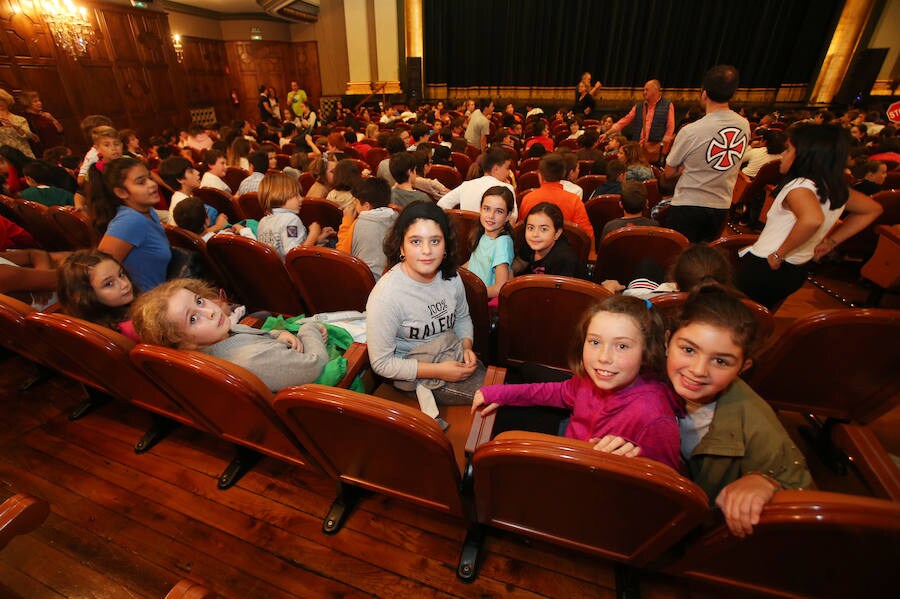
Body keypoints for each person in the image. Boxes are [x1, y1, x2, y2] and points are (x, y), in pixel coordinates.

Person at [471, 295, 681, 470]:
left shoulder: (655, 419)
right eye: (595, 342)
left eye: (622, 346)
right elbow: (560, 392)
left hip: (588, 482)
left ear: (646, 352)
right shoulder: (592, 378)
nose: (604, 357)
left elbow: (665, 492)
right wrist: (502, 393)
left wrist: (636, 464)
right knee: (493, 421)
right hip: (571, 448)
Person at [669, 285, 813, 537]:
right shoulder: (645, 373)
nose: (698, 370)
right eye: (689, 350)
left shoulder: (755, 420)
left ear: (743, 367)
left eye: (721, 361)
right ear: (668, 341)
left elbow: (802, 490)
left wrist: (766, 482)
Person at [736, 123, 883, 310]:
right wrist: (831, 242)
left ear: (804, 156)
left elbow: (812, 219)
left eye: (788, 149)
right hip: (797, 268)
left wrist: (779, 254)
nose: (782, 155)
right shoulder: (833, 188)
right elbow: (872, 209)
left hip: (766, 266)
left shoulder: (800, 187)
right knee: (759, 316)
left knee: (734, 316)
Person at [366, 202, 480, 428]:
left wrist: (466, 347)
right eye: (416, 242)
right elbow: (381, 363)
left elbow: (463, 317)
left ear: (446, 245)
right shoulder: (386, 296)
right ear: (401, 247)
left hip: (450, 354)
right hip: (415, 373)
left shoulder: (451, 276)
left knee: (503, 392)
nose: (427, 251)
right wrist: (439, 371)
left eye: (435, 241)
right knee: (496, 396)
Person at [130, 278, 328, 392]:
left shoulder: (219, 336)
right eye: (192, 319)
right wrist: (309, 329)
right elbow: (316, 364)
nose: (210, 311)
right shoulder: (254, 359)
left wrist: (277, 334)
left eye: (199, 301)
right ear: (181, 342)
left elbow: (245, 334)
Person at [664, 65, 750, 243]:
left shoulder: (691, 131)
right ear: (733, 94)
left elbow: (668, 173)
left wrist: (683, 169)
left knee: (680, 258)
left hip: (688, 205)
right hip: (721, 206)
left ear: (704, 93)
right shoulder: (744, 125)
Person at [94, 157, 171, 292]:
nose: (152, 184)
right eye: (141, 182)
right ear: (121, 192)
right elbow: (99, 271)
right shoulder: (129, 221)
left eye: (149, 178)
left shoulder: (149, 211)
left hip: (161, 293)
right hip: (146, 302)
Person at [600, 242, 732, 298]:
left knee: (648, 263)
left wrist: (608, 293)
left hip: (642, 297)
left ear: (675, 281)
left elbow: (622, 313)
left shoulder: (643, 303)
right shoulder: (741, 317)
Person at [57, 249, 137, 338]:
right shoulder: (129, 328)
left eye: (121, 274)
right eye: (109, 284)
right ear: (86, 296)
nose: (125, 284)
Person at [257, 172, 333, 258]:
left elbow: (284, 245)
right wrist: (313, 234)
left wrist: (317, 239)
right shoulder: (291, 220)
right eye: (296, 195)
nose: (301, 198)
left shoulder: (263, 221)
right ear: (281, 195)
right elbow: (294, 254)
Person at [519, 153, 594, 241]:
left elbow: (521, 231)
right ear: (563, 174)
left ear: (540, 175)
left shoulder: (528, 199)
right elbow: (587, 235)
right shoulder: (574, 201)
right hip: (567, 250)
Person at [336, 177, 397, 280]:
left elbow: (341, 256)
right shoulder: (396, 218)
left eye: (356, 202)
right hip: (389, 279)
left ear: (366, 206)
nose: (354, 205)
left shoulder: (359, 223)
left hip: (364, 282)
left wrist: (346, 221)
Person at [600, 79, 674, 164]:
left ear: (656, 90)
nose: (644, 92)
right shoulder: (639, 106)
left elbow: (670, 127)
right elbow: (624, 121)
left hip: (655, 151)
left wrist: (662, 146)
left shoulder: (667, 105)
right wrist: (607, 133)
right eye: (644, 90)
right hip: (638, 149)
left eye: (647, 89)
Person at [437, 147, 517, 220]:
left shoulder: (466, 185)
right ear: (496, 169)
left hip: (466, 234)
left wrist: (457, 224)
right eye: (507, 168)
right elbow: (513, 218)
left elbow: (441, 205)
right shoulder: (507, 188)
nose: (508, 173)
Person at [464, 186, 515, 299]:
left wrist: (469, 295)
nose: (491, 216)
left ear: (508, 216)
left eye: (499, 211)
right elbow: (475, 261)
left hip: (484, 301)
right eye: (487, 209)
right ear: (480, 209)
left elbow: (499, 287)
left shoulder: (502, 243)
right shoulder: (483, 233)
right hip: (473, 290)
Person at [513, 201, 586, 279]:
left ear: (557, 233)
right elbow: (520, 263)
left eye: (544, 229)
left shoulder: (564, 259)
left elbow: (558, 290)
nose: (535, 234)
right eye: (530, 228)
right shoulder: (532, 243)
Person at [19, 91, 63, 158]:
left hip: (56, 148)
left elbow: (60, 130)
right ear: (28, 103)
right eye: (35, 101)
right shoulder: (25, 118)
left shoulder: (45, 115)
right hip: (43, 152)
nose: (39, 103)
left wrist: (53, 119)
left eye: (39, 100)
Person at [0, 89, 36, 159]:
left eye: (1, 100)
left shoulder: (20, 119)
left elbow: (29, 135)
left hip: (23, 154)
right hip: (4, 158)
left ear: (7, 101)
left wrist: (15, 127)